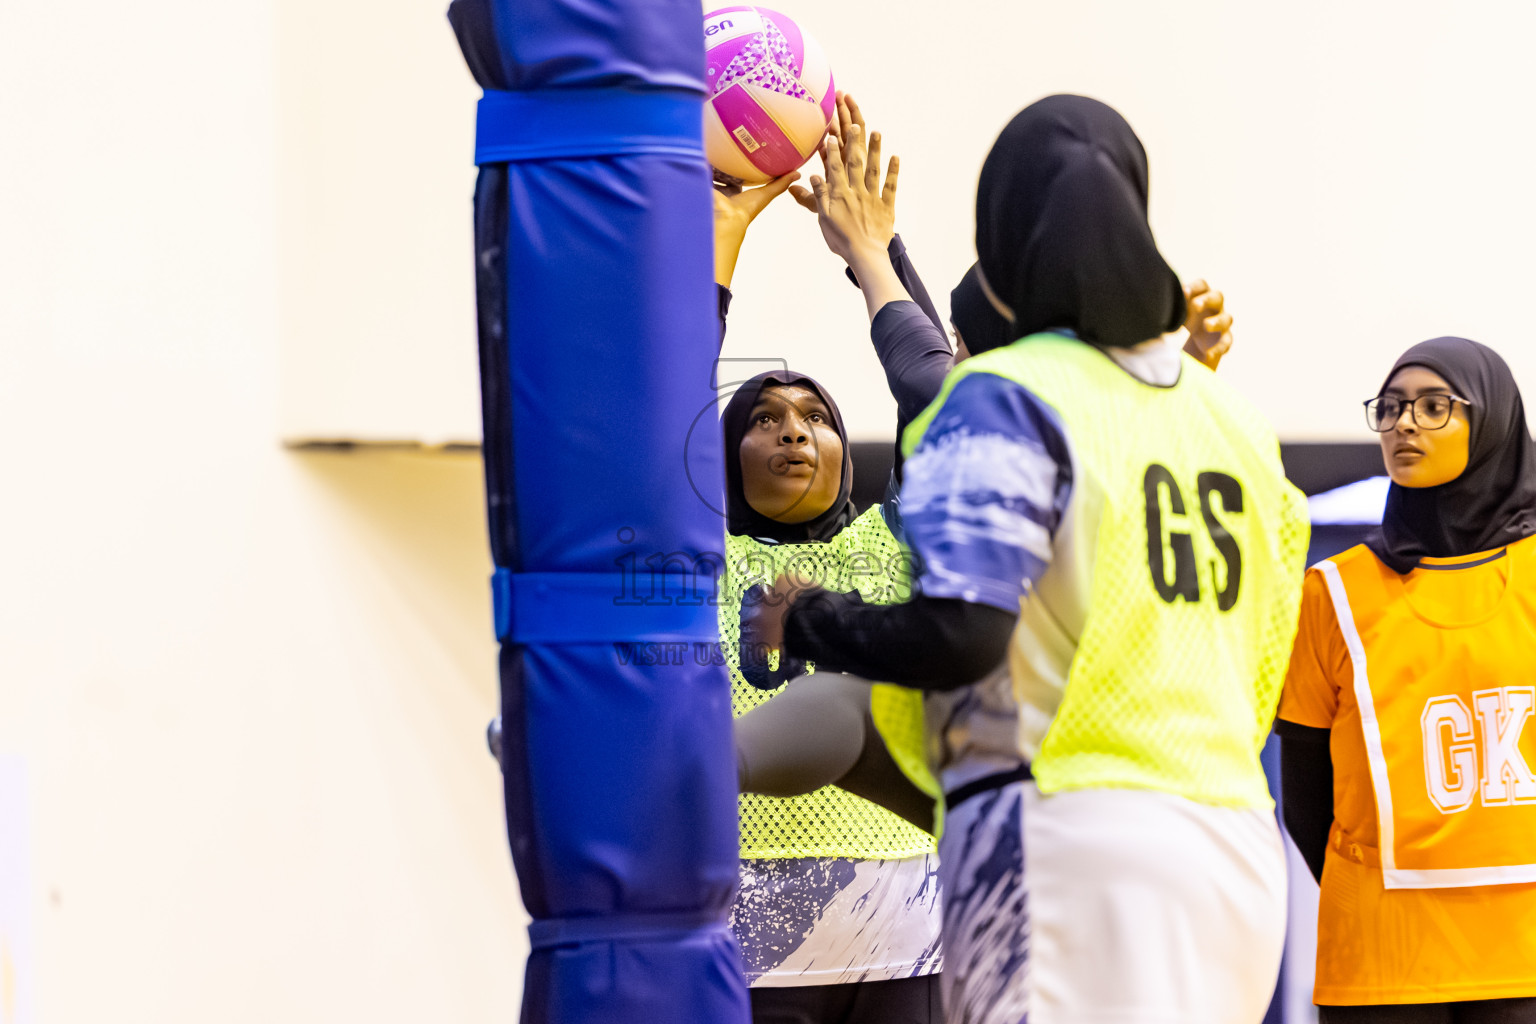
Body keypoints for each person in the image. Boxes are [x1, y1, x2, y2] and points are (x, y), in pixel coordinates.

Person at [743, 94, 1310, 1024]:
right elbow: (1262, 668)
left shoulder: (1009, 393)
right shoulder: (1235, 423)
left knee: (846, 706)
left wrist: (807, 614)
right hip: (1236, 855)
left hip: (1070, 843)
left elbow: (962, 635)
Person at [710, 94, 949, 1024]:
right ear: (723, 456)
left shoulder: (886, 546)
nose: (794, 433)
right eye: (763, 421)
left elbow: (948, 410)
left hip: (904, 929)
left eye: (814, 418)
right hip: (752, 937)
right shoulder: (701, 557)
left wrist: (875, 256)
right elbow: (654, 409)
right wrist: (717, 250)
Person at [1277, 337, 1536, 1023]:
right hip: (1383, 958)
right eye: (1389, 408)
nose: (1403, 424)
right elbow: (1304, 793)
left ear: (1493, 423)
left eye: (1432, 406)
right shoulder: (1330, 590)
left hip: (1522, 951)